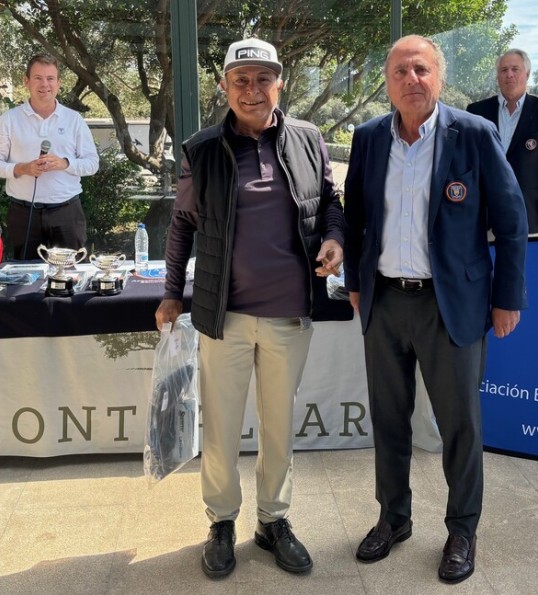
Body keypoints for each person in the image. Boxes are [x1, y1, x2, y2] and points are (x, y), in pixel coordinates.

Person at [154, 38, 345, 579]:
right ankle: (221, 522)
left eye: (263, 78)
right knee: (219, 427)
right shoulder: (202, 149)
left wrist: (336, 240)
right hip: (226, 314)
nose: (252, 90)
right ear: (225, 87)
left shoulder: (308, 139)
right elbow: (182, 226)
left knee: (279, 426)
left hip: (289, 314)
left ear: (279, 82)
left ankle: (273, 521)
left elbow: (331, 202)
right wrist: (172, 293)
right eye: (241, 80)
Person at [343, 35, 528, 584]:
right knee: (389, 420)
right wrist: (356, 284)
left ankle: (462, 529)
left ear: (439, 78)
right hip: (385, 301)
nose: (410, 79)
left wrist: (506, 299)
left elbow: (512, 223)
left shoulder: (473, 134)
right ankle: (394, 518)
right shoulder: (370, 138)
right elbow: (355, 220)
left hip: (453, 307)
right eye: (400, 70)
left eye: (421, 69)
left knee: (460, 426)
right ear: (388, 80)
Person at [0, 53, 99, 260]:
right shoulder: (9, 120)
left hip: (67, 212)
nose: (44, 84)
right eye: (38, 78)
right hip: (23, 213)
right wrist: (22, 168)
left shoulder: (74, 120)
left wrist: (65, 163)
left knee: (70, 278)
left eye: (50, 78)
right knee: (26, 282)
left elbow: (92, 164)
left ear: (58, 83)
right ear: (26, 81)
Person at [467, 48, 538, 235]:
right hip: (482, 215)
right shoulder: (476, 112)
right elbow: (467, 162)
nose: (509, 75)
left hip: (528, 213)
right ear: (498, 76)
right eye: (504, 70)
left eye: (515, 69)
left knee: (525, 265)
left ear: (527, 74)